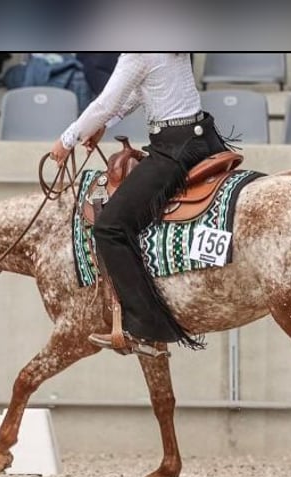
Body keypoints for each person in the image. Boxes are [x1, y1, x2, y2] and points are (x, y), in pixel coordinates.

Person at [49, 53, 230, 356]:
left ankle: (148, 326)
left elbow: (105, 102)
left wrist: (67, 140)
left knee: (110, 227)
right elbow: (136, 91)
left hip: (175, 146)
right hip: (203, 136)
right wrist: (106, 123)